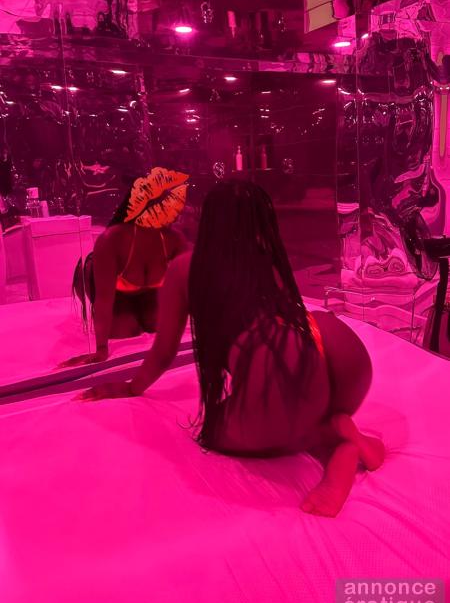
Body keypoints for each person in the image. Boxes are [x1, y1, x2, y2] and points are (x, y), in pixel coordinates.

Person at [81, 180, 384, 517]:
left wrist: (131, 386)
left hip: (274, 360)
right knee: (298, 398)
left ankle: (330, 439)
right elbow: (288, 324)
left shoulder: (184, 267)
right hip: (337, 346)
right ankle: (336, 425)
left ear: (209, 219)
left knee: (216, 433)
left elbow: (164, 352)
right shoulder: (267, 259)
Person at [60, 168, 189, 368]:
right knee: (126, 330)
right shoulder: (112, 241)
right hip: (105, 285)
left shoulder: (173, 240)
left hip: (146, 291)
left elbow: (194, 285)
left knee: (157, 324)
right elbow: (104, 300)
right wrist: (101, 349)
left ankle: (140, 308)